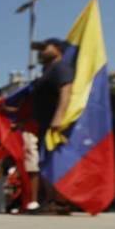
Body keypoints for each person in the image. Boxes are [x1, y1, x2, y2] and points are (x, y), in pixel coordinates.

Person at [29, 38, 76, 213]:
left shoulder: (61, 67)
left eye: (44, 47)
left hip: (55, 124)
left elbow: (66, 90)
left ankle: (60, 202)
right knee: (45, 162)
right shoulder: (47, 71)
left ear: (57, 49)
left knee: (55, 161)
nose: (40, 51)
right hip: (44, 124)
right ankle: (51, 201)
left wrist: (59, 116)